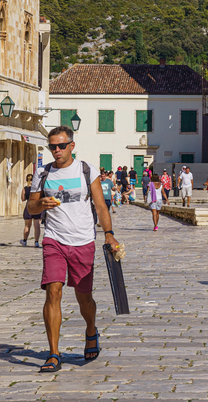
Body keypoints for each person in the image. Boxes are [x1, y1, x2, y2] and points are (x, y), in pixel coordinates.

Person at [28, 126, 119, 373]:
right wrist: (40, 204)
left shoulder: (86, 171)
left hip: (82, 241)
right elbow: (31, 207)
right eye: (52, 147)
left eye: (60, 146)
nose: (56, 151)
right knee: (53, 292)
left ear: (71, 146)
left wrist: (109, 235)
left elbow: (101, 207)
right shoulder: (42, 173)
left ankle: (91, 330)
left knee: (83, 297)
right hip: (54, 240)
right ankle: (54, 353)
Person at [21, 174, 42, 247]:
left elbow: (23, 199)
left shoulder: (25, 189)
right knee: (37, 226)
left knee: (27, 225)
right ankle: (36, 242)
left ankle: (24, 240)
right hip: (36, 206)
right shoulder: (37, 188)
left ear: (26, 180)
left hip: (29, 207)